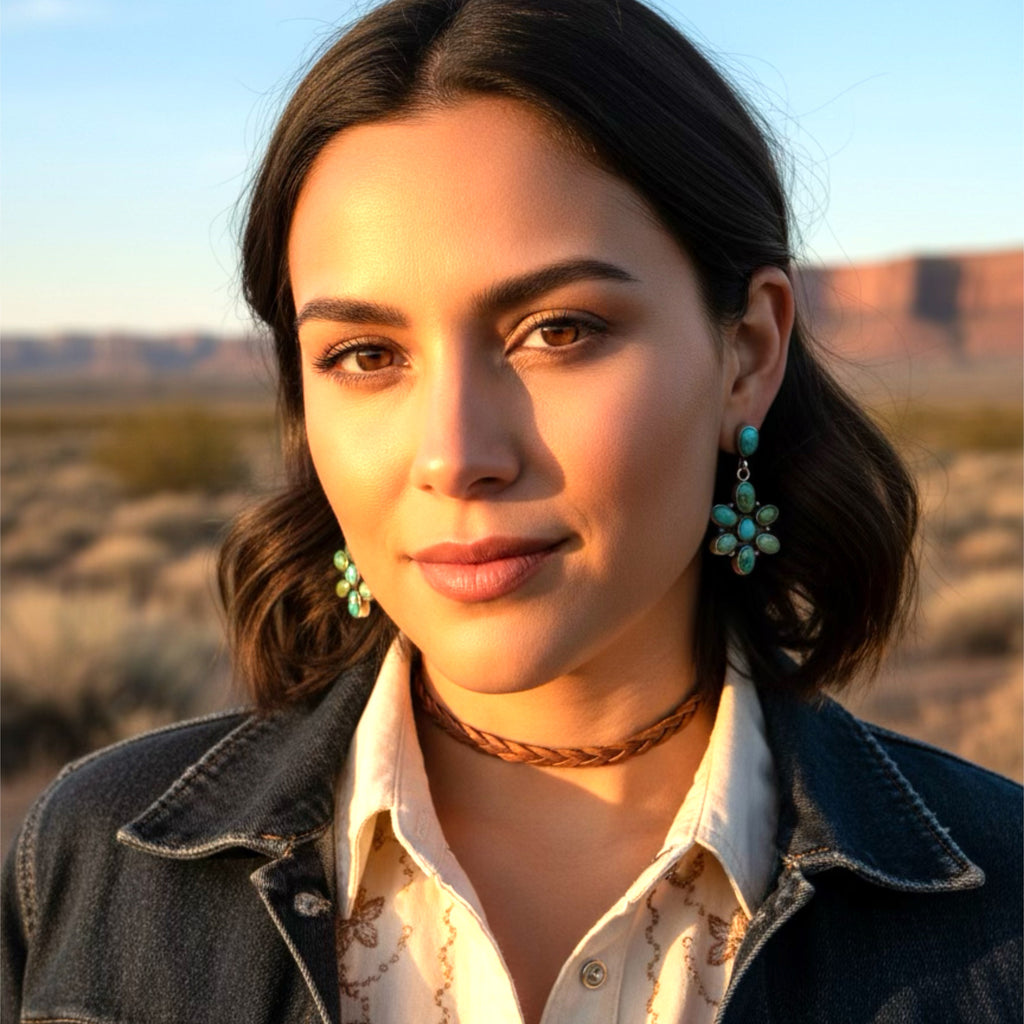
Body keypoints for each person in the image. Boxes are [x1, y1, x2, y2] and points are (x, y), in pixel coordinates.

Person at [3, 0, 1021, 1020]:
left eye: (558, 330)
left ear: (748, 354)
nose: (456, 455)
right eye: (366, 355)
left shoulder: (999, 909)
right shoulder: (99, 863)